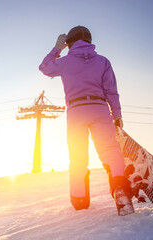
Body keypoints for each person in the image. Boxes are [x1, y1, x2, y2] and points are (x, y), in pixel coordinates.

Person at [39, 26, 134, 216]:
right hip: (99, 108)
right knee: (110, 151)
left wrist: (57, 49)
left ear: (69, 42)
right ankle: (120, 190)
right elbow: (111, 91)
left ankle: (80, 200)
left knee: (77, 156)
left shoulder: (65, 61)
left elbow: (44, 68)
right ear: (90, 40)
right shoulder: (103, 62)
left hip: (76, 111)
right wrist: (117, 115)